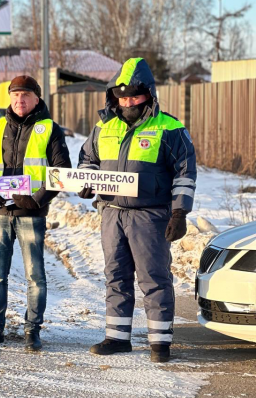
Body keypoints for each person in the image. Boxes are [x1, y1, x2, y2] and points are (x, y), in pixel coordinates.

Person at [78, 57, 197, 362]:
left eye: (134, 96)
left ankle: (160, 343)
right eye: (123, 96)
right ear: (114, 96)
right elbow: (88, 158)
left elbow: (185, 172)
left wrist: (179, 213)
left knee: (154, 277)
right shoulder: (103, 126)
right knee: (115, 276)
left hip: (150, 215)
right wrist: (86, 179)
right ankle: (117, 338)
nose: (128, 102)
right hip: (111, 212)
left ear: (149, 94)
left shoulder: (169, 128)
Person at [0, 75, 71, 351]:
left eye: (25, 95)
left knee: (35, 275)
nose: (19, 100)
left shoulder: (50, 129)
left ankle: (32, 330)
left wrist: (38, 200)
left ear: (37, 98)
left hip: (31, 214)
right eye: (15, 95)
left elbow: (61, 171)